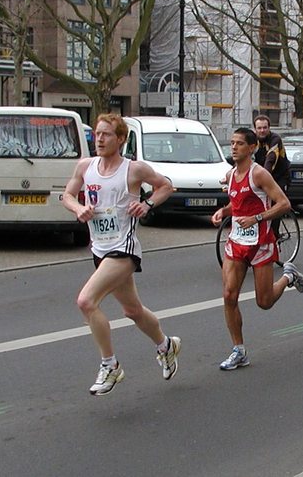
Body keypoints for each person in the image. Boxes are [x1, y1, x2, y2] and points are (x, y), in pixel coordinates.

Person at [62, 113, 180, 396]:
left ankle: (110, 366)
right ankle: (167, 346)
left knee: (86, 301)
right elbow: (66, 195)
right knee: (132, 310)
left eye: (106, 135)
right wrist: (79, 209)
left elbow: (165, 186)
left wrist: (147, 203)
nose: (99, 139)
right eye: (97, 134)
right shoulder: (85, 166)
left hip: (124, 250)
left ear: (121, 139)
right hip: (100, 249)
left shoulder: (133, 170)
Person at [211, 128, 303, 370]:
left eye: (240, 144)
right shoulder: (231, 175)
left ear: (252, 148)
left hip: (261, 242)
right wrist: (224, 211)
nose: (234, 147)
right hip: (236, 242)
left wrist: (258, 218)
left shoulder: (260, 174)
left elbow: (284, 203)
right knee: (229, 295)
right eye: (232, 143)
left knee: (264, 302)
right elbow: (238, 204)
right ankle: (239, 350)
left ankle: (288, 276)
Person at [253, 115, 291, 237]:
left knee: (276, 203)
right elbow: (246, 157)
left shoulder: (275, 139)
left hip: (280, 176)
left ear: (269, 128)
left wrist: (263, 179)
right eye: (259, 128)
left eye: (265, 128)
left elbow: (271, 159)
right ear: (255, 129)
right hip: (264, 176)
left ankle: (274, 235)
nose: (262, 130)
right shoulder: (254, 141)